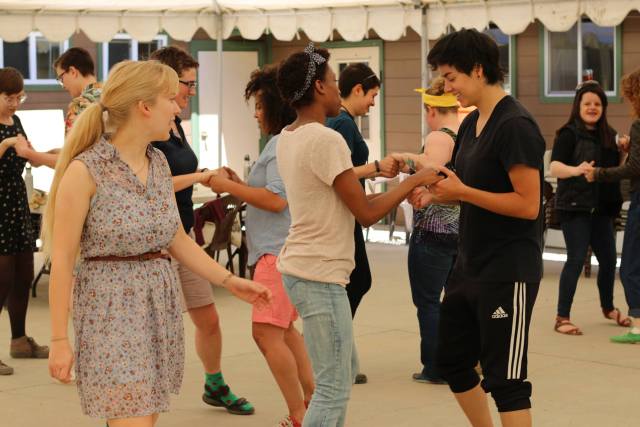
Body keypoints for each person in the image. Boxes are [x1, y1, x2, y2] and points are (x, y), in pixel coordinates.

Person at [44, 60, 271, 427]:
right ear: (144, 107)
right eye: (171, 98)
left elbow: (177, 239)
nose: (179, 106)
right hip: (110, 313)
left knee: (143, 419)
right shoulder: (85, 171)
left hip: (157, 309)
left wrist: (230, 281)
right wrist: (58, 338)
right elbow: (63, 258)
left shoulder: (159, 163)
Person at [275, 43, 441, 427]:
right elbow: (365, 214)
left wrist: (377, 173)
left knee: (329, 383)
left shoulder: (288, 135)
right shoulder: (327, 138)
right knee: (333, 389)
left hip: (300, 267)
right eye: (333, 82)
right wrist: (414, 179)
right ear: (318, 87)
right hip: (320, 273)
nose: (337, 90)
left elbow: (332, 186)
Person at [423, 29, 545, 427]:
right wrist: (439, 192)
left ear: (479, 70)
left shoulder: (515, 125)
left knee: (505, 380)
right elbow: (467, 185)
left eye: (452, 77)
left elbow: (528, 205)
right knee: (453, 361)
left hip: (507, 270)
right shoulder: (472, 121)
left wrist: (463, 192)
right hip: (468, 264)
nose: (448, 87)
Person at [148, 45, 255, 416]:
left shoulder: (175, 121)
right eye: (187, 84)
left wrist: (209, 174)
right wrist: (202, 176)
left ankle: (215, 384)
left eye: (193, 84)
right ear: (163, 80)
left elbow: (178, 176)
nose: (191, 92)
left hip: (182, 234)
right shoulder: (146, 125)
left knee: (207, 317)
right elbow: (150, 182)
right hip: (156, 241)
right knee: (156, 331)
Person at [208, 64, 315, 427]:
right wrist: (240, 183)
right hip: (277, 250)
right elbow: (267, 195)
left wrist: (228, 186)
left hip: (276, 252)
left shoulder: (282, 142)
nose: (255, 113)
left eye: (258, 104)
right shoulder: (281, 140)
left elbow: (275, 200)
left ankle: (299, 412)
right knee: (283, 330)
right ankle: (311, 398)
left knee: (266, 333)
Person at [325, 63, 397, 385]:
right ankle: (334, 350)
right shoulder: (342, 123)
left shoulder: (343, 121)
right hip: (345, 213)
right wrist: (375, 167)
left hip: (347, 211)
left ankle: (341, 351)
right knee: (357, 281)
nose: (372, 103)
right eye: (372, 96)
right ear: (357, 90)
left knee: (355, 283)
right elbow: (337, 172)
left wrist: (375, 170)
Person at [549, 80, 628, 335]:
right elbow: (554, 167)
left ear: (603, 108)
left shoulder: (609, 135)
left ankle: (608, 308)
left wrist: (624, 152)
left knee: (607, 261)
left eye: (597, 104)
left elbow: (614, 170)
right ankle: (562, 317)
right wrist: (576, 170)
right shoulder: (568, 133)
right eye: (587, 103)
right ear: (578, 106)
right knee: (575, 258)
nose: (592, 108)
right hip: (575, 206)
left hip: (602, 208)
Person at [396, 77, 460, 384]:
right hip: (459, 230)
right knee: (454, 300)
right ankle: (461, 359)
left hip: (433, 229)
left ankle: (435, 366)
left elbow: (433, 173)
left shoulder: (438, 137)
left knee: (429, 300)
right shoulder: (466, 132)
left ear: (432, 108)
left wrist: (407, 162)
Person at [0, 67, 50, 376]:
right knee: (1, 280)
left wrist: (40, 154)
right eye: (9, 98)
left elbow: (28, 154)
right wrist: (5, 146)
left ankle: (19, 339)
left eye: (19, 97)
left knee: (23, 272)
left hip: (16, 201)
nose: (15, 104)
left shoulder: (15, 121)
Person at [586, 68, 640, 343]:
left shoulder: (639, 124)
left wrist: (599, 173)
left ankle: (637, 325)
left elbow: (634, 169)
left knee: (631, 262)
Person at [54, 47, 103, 135]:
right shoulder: (112, 95)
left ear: (73, 72)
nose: (63, 86)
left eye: (61, 79)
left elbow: (71, 148)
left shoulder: (79, 105)